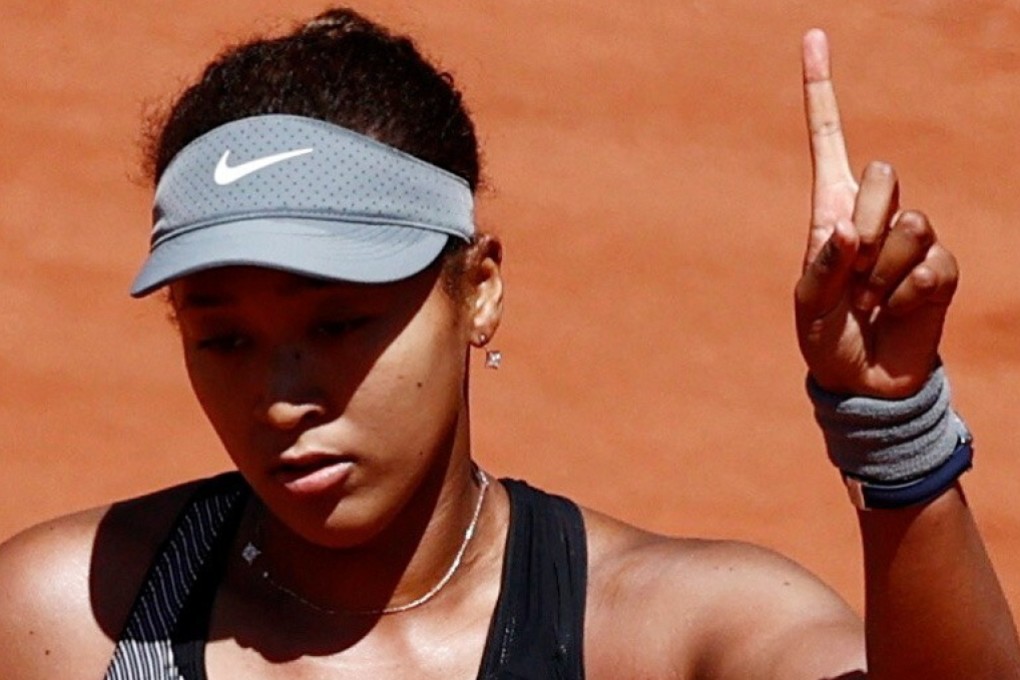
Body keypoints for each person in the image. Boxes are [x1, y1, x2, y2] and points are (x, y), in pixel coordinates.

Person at [0, 6, 1017, 679]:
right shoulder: (70, 621)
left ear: (478, 289)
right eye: (220, 336)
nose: (282, 392)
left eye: (340, 323)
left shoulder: (670, 635)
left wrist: (895, 432)